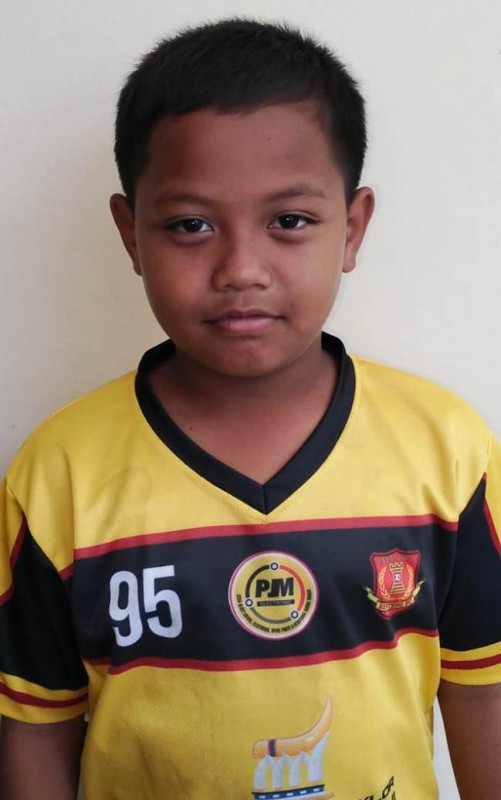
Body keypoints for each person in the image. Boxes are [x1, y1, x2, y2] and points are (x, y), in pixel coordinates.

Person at [0, 17, 500, 800]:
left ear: (351, 228)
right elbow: (35, 727)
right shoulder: (60, 472)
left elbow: (481, 691)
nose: (240, 269)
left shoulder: (447, 451)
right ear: (130, 234)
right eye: (190, 225)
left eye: (288, 222)